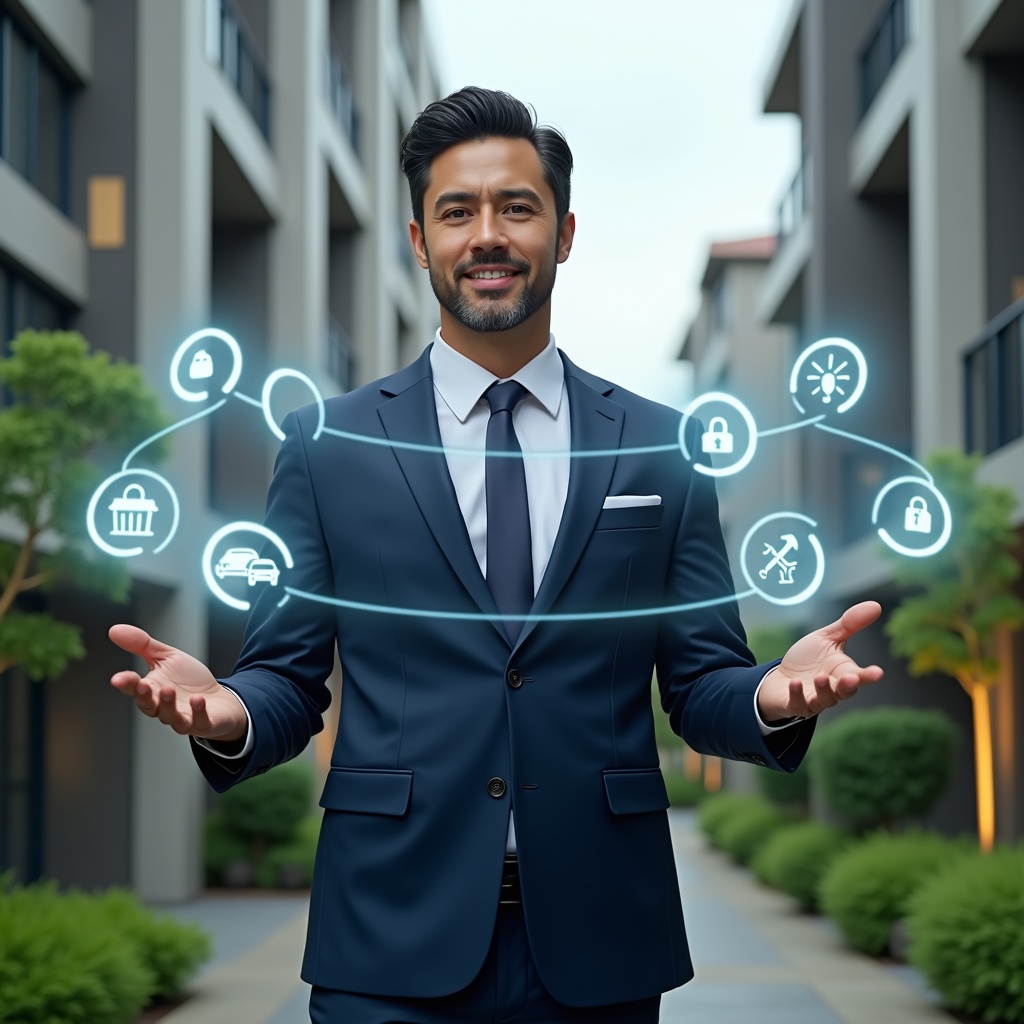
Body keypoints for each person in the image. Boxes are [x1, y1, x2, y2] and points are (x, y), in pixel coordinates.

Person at [110, 87, 883, 1024]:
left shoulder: (658, 447)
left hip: (601, 940)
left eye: (516, 207)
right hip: (388, 939)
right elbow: (286, 675)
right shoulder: (327, 446)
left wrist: (767, 696)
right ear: (418, 237)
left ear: (562, 232)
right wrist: (226, 712)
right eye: (456, 211)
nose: (487, 234)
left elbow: (701, 681)